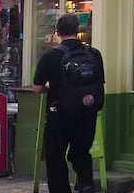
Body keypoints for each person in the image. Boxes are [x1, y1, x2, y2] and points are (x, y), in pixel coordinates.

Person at [33, 13, 104, 193]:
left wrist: (50, 85)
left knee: (55, 156)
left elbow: (37, 88)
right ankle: (87, 186)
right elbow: (99, 82)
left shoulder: (50, 56)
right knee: (81, 153)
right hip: (87, 113)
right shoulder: (94, 54)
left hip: (59, 114)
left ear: (57, 32)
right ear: (78, 30)